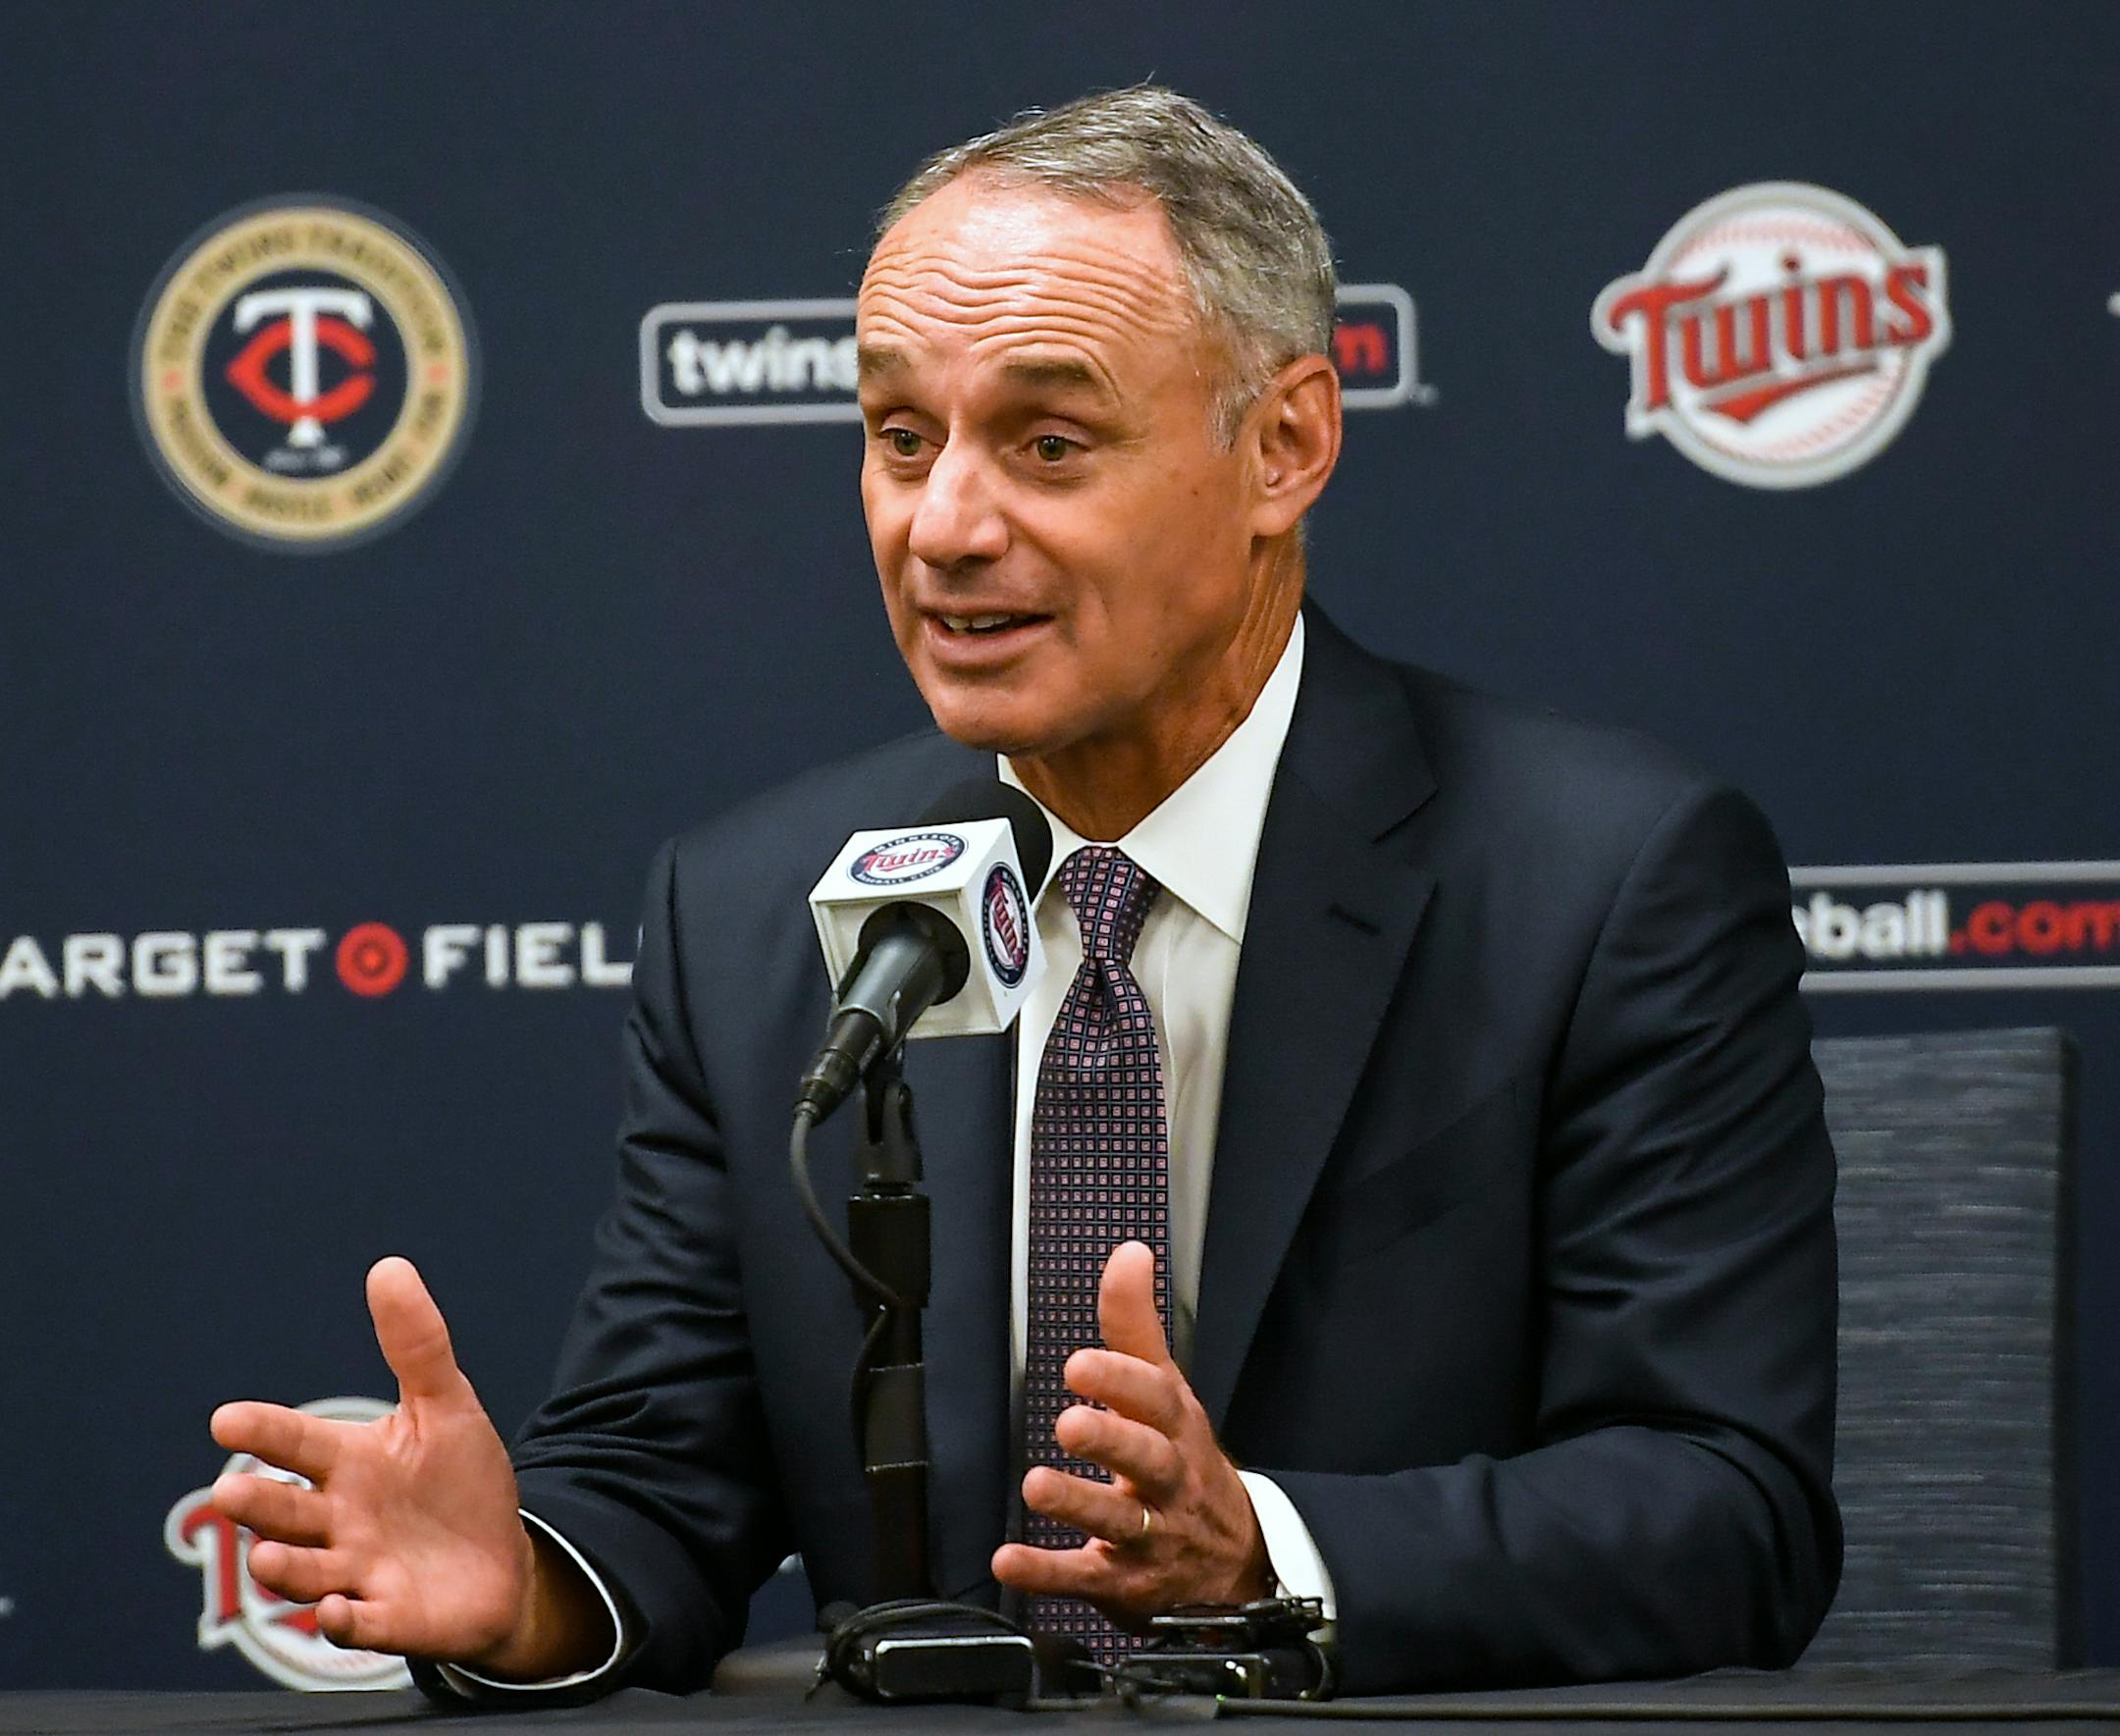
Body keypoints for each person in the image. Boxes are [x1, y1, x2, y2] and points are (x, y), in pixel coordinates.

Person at [208, 86, 1840, 1699]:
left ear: (1285, 446)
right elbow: (656, 1482)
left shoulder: (1606, 879)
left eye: (1050, 443)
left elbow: (1731, 1505)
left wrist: (1267, 1550)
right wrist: (526, 1592)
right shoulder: (757, 911)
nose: (945, 526)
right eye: (901, 438)